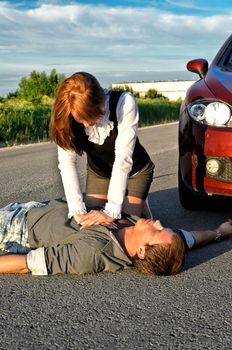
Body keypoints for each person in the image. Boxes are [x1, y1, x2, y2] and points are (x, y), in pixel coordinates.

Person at [0, 200, 231, 276]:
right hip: (33, 207)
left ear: (142, 251)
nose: (159, 223)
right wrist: (219, 231)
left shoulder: (95, 253)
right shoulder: (163, 240)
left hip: (16, 228)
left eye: (159, 231)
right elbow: (191, 238)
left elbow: (28, 264)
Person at [49, 72, 154, 229]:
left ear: (100, 103)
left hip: (135, 172)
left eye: (90, 117)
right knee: (91, 225)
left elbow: (123, 159)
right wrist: (77, 210)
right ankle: (131, 204)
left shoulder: (124, 103)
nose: (85, 124)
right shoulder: (68, 112)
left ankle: (139, 204)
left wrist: (111, 212)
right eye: (80, 119)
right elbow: (66, 163)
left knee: (121, 226)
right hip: (99, 173)